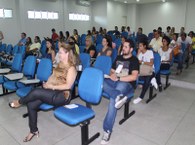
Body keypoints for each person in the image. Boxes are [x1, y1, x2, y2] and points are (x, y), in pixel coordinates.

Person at [8, 43, 78, 142]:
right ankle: (33, 130)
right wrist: (47, 83)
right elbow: (52, 76)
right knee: (31, 104)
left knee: (36, 91)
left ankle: (19, 102)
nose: (58, 54)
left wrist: (51, 86)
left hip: (63, 95)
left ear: (67, 54)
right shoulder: (60, 64)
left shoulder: (71, 68)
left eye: (61, 52)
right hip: (52, 90)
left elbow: (67, 86)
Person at [100, 39, 139, 144]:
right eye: (123, 46)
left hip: (126, 83)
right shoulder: (118, 57)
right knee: (100, 81)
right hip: (115, 81)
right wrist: (112, 75)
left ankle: (107, 130)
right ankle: (117, 95)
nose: (123, 48)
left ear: (131, 49)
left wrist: (119, 79)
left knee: (113, 100)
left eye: (126, 47)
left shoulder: (134, 60)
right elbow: (112, 71)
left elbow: (134, 77)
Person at [133, 39, 155, 104]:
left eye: (140, 46)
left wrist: (142, 62)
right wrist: (138, 54)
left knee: (147, 80)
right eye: (138, 46)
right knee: (134, 75)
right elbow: (136, 63)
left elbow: (151, 64)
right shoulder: (140, 54)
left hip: (151, 71)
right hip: (142, 72)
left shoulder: (150, 52)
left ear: (144, 46)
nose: (139, 47)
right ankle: (153, 79)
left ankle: (141, 97)